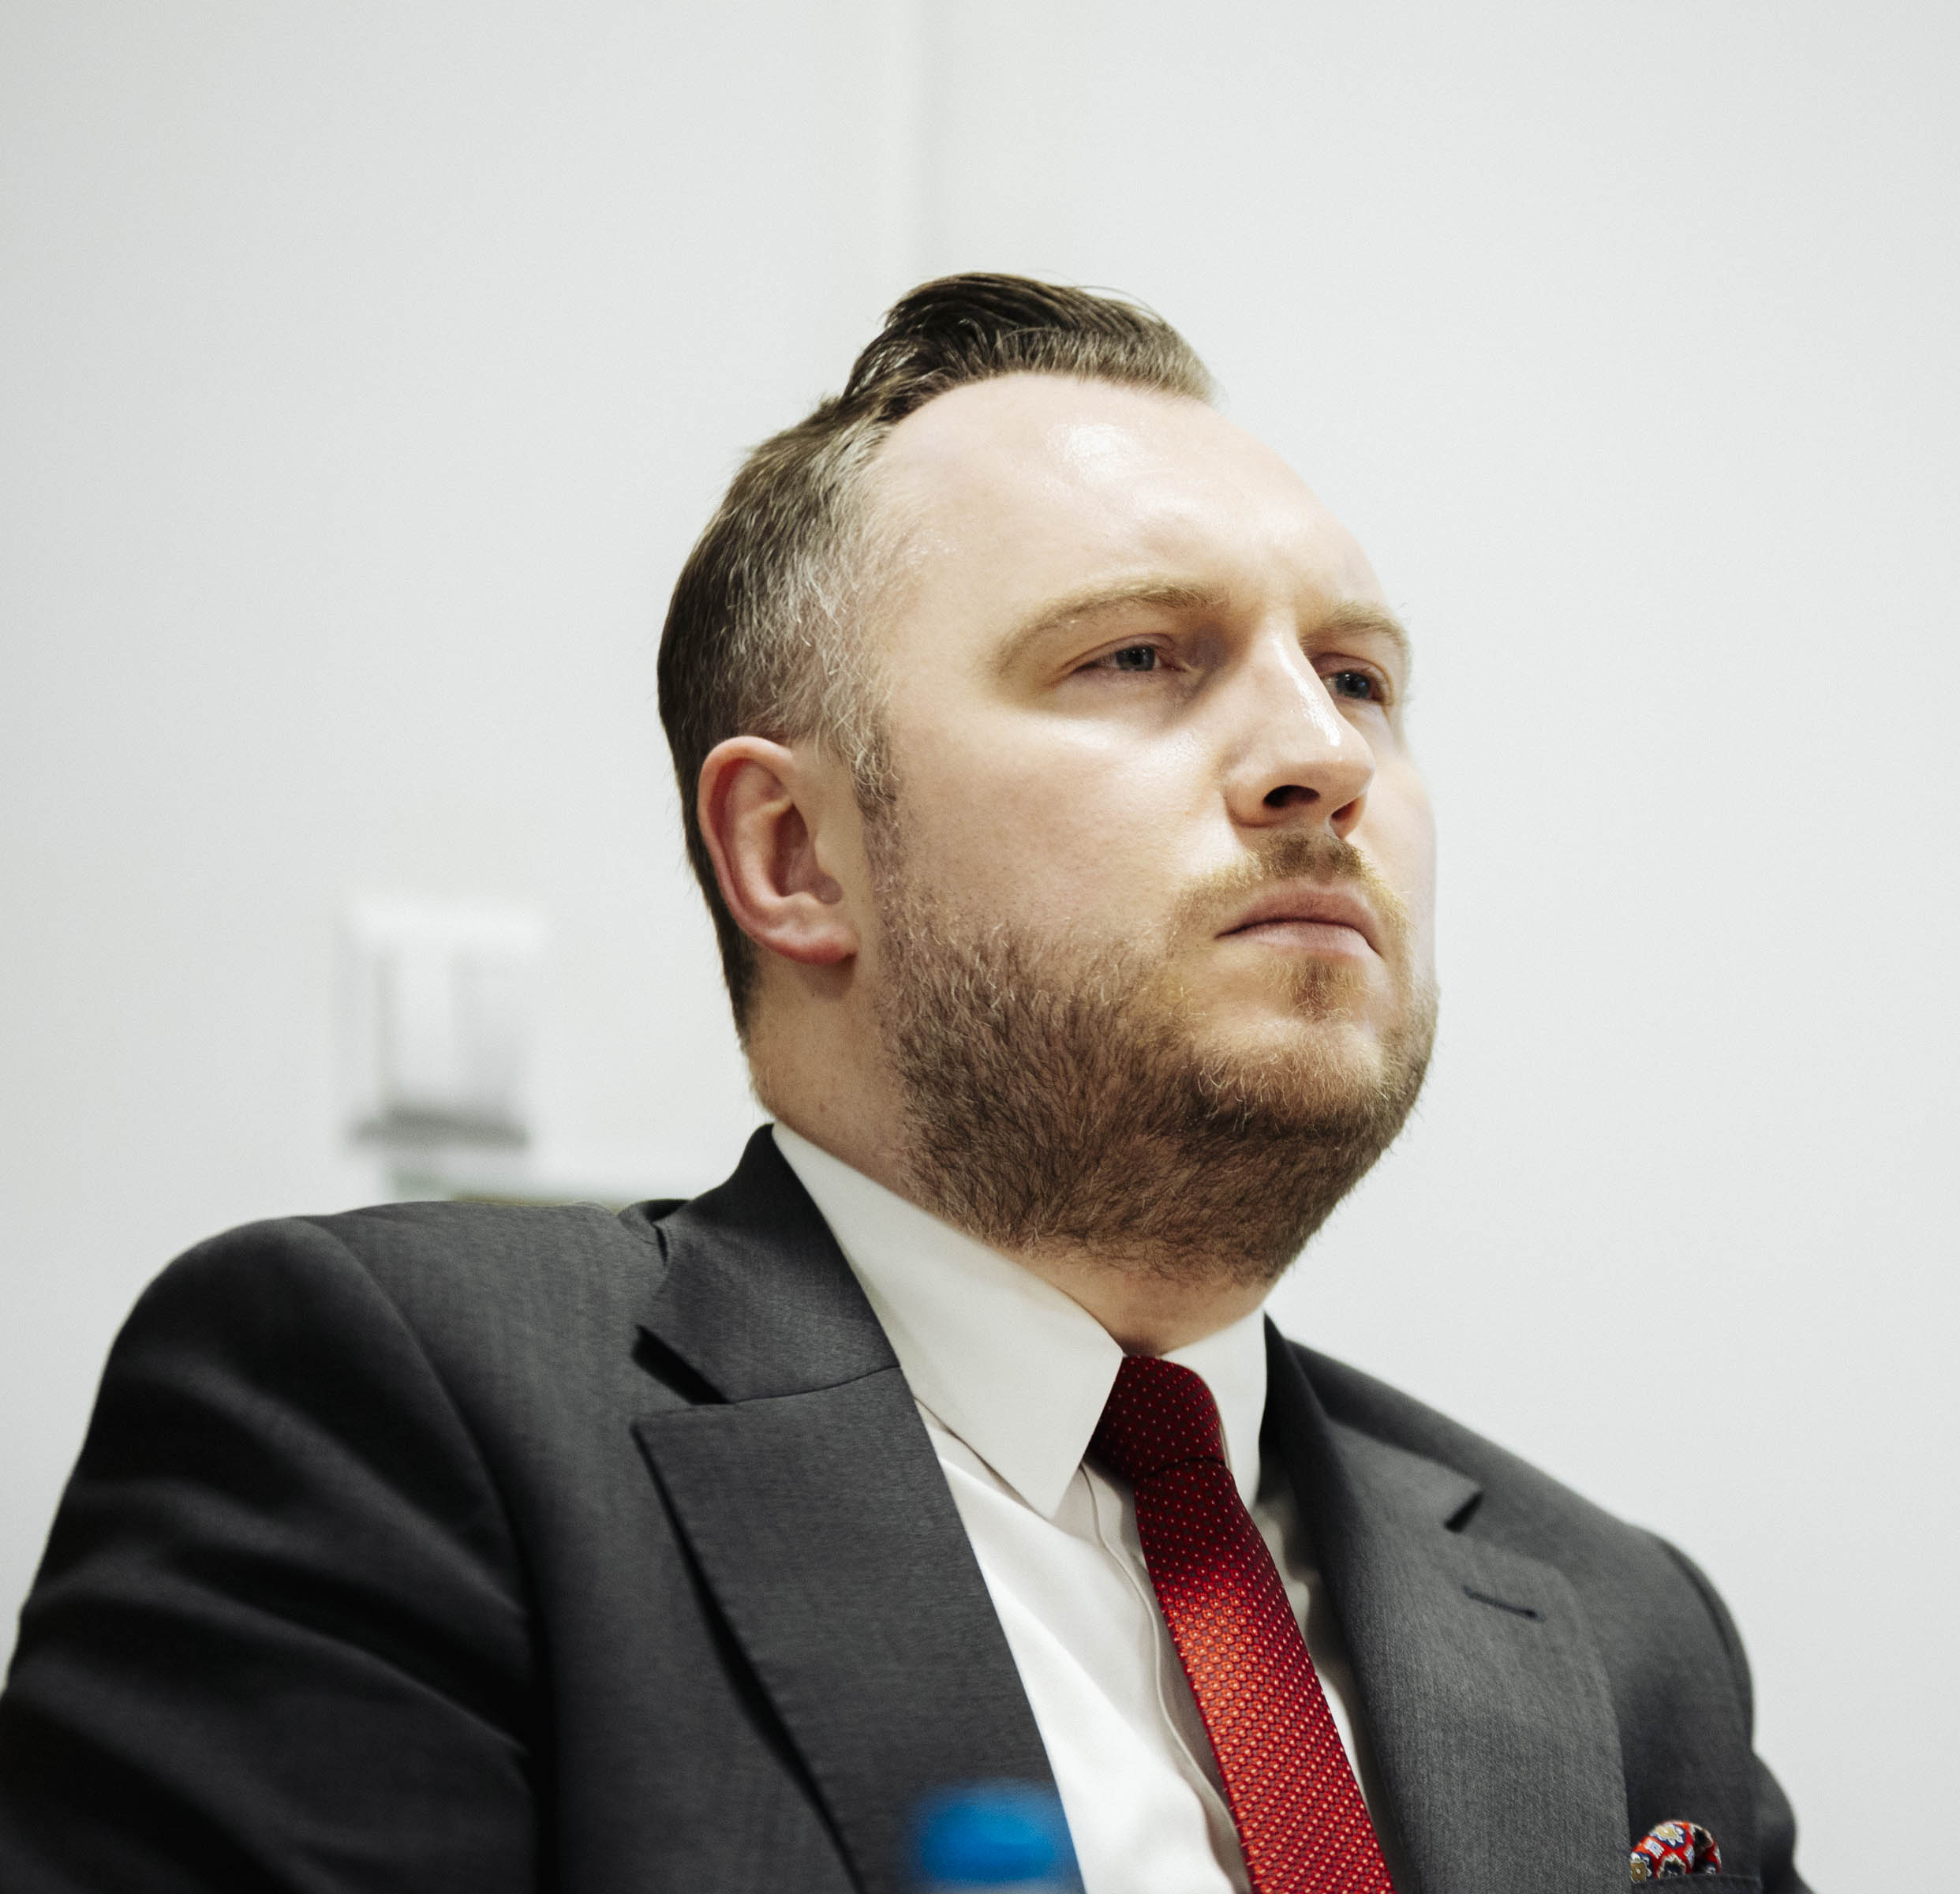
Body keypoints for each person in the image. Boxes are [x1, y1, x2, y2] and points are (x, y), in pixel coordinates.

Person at [0, 276, 1806, 1894]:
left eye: (1357, 677)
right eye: (1137, 656)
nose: (1322, 758)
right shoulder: (404, 1415)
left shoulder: (1620, 1628)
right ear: (795, 854)